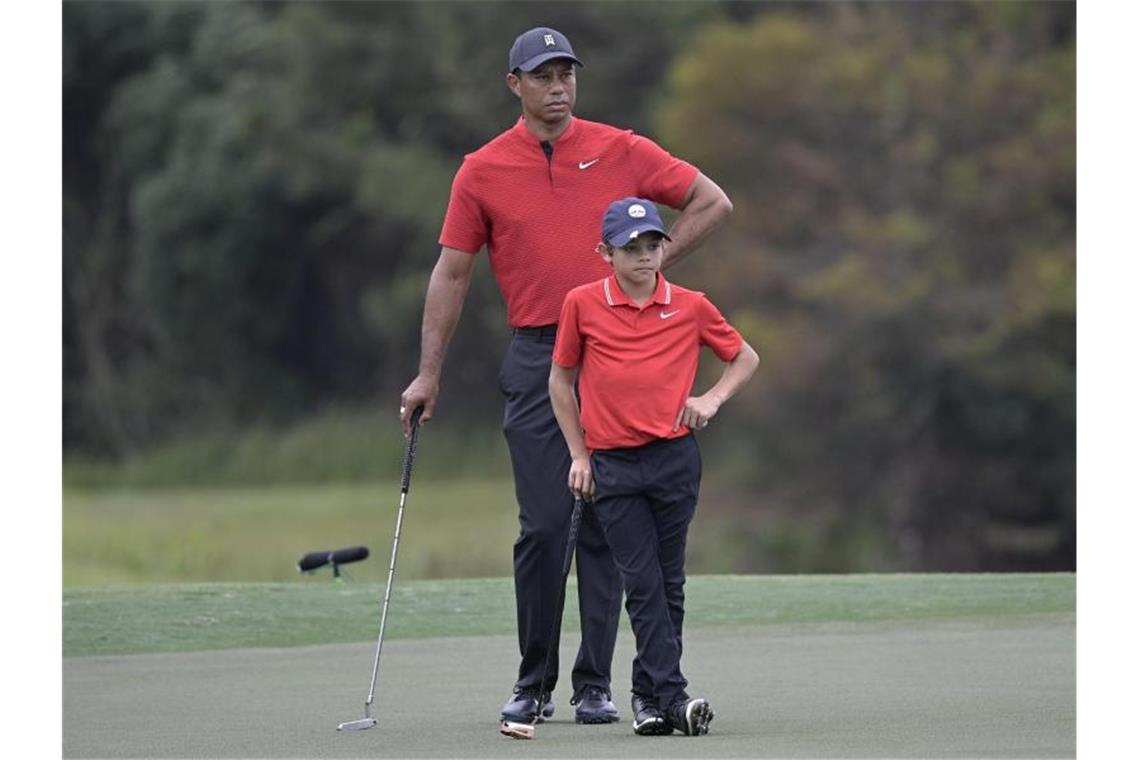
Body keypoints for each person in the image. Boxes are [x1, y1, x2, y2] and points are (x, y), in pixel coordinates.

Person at [399, 26, 733, 726]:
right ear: (514, 84)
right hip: (536, 354)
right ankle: (534, 680)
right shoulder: (482, 169)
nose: (559, 87)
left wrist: (647, 267)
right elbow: (452, 272)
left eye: (567, 74)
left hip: (617, 350)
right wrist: (428, 374)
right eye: (543, 76)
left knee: (605, 531)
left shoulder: (621, 147)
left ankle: (594, 685)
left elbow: (712, 201)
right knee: (547, 526)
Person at [548, 197, 759, 736]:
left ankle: (648, 700)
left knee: (670, 583)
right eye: (631, 248)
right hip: (612, 464)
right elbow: (561, 382)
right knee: (641, 582)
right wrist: (578, 454)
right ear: (606, 253)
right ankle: (674, 696)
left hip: (674, 459)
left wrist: (710, 400)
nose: (644, 256)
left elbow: (744, 356)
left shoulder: (690, 305)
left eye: (652, 245)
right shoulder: (581, 303)